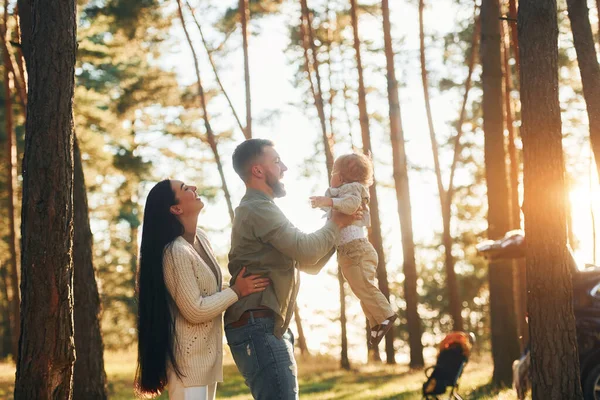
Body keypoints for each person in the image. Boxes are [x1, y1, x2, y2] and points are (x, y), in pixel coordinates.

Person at [224, 139, 357, 400]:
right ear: (258, 171)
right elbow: (307, 251)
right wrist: (336, 222)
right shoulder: (257, 208)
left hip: (268, 324)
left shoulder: (264, 208)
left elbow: (308, 262)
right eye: (276, 161)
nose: (284, 167)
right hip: (258, 325)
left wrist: (341, 227)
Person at [135, 179, 270, 400]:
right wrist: (236, 291)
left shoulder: (201, 240)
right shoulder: (175, 252)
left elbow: (210, 293)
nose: (194, 188)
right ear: (176, 209)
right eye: (186, 189)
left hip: (206, 363)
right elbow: (195, 310)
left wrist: (243, 287)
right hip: (188, 367)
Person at [310, 153, 397, 346]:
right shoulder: (342, 193)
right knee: (361, 290)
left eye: (333, 173)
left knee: (365, 287)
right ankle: (376, 323)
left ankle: (386, 314)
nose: (330, 177)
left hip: (356, 251)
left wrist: (328, 202)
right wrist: (324, 204)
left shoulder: (352, 190)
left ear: (340, 177)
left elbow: (350, 206)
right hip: (350, 253)